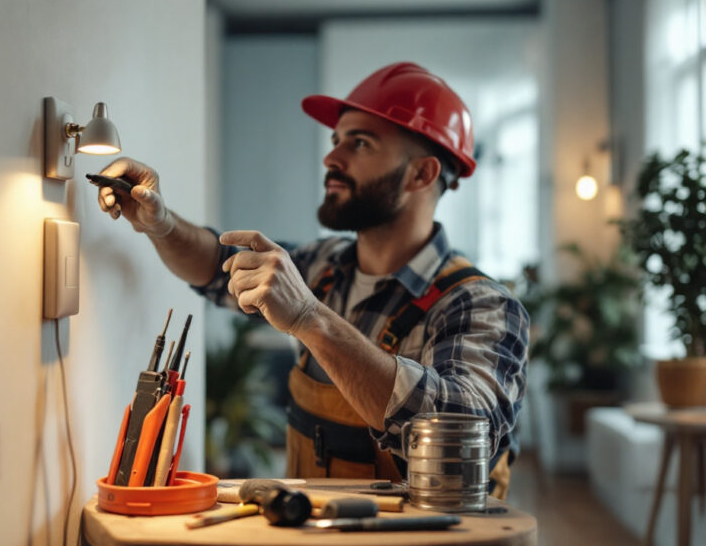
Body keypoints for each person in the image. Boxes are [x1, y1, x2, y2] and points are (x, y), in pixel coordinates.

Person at [94, 62, 528, 498]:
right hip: (311, 537)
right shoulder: (321, 264)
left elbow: (462, 442)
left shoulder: (480, 305)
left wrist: (308, 317)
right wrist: (162, 224)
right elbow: (213, 266)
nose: (331, 158)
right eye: (336, 140)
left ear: (422, 174)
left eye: (359, 143)